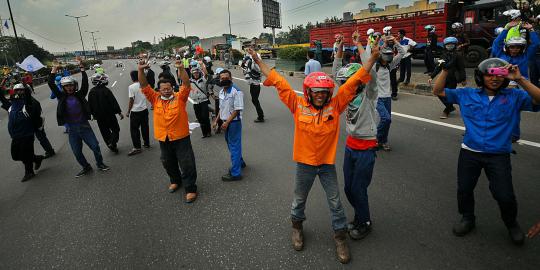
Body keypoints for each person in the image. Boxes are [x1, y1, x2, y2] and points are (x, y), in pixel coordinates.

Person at [247, 39, 378, 263]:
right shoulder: (297, 105)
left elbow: (354, 81)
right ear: (309, 91)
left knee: (335, 202)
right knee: (299, 200)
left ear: (329, 93)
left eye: (324, 92)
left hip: (326, 165)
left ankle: (339, 237)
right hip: (305, 164)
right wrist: (259, 62)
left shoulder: (336, 106)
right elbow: (279, 82)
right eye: (316, 91)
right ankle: (297, 227)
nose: (320, 95)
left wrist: (372, 60)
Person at [432, 58, 540, 245]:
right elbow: (438, 91)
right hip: (470, 152)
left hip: (498, 155)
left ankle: (511, 223)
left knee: (504, 194)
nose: (494, 79)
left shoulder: (515, 97)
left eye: (498, 75)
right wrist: (445, 71)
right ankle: (467, 218)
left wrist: (520, 79)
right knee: (464, 189)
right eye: (489, 75)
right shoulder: (466, 94)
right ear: (481, 77)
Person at [336, 30, 380, 241]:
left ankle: (365, 222)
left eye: (351, 83)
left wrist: (368, 54)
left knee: (358, 188)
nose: (346, 87)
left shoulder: (369, 95)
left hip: (366, 148)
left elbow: (368, 75)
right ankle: (360, 215)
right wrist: (341, 46)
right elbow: (336, 71)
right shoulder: (345, 95)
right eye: (344, 83)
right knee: (348, 188)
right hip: (350, 146)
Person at [138, 58, 198, 203]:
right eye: (163, 89)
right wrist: (140, 70)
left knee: (186, 163)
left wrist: (181, 68)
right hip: (163, 138)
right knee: (167, 161)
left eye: (168, 88)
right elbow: (144, 85)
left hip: (181, 137)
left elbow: (186, 84)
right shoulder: (155, 99)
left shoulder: (180, 98)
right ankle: (175, 180)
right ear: (158, 90)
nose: (166, 91)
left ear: (172, 88)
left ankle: (190, 188)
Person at [48, 60, 110, 177]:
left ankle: (100, 163)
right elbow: (51, 83)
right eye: (66, 86)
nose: (69, 88)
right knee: (77, 152)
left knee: (95, 147)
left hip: (84, 126)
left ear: (74, 85)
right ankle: (86, 167)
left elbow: (85, 83)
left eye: (71, 85)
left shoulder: (80, 95)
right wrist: (54, 70)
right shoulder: (61, 97)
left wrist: (82, 68)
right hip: (72, 129)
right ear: (63, 88)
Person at [0, 83, 44, 182]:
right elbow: (2, 97)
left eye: (20, 93)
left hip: (27, 134)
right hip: (15, 136)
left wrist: (25, 85)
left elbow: (28, 96)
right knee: (15, 155)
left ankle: (29, 172)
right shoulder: (10, 107)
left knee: (26, 154)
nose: (16, 98)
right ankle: (37, 159)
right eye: (14, 98)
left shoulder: (27, 106)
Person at [212, 69, 246, 181]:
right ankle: (240, 162)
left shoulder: (236, 91)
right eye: (222, 78)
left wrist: (226, 122)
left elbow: (237, 109)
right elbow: (221, 108)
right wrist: (216, 120)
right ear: (219, 79)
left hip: (233, 123)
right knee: (231, 144)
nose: (224, 80)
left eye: (227, 78)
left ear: (231, 78)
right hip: (225, 122)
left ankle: (236, 173)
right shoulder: (222, 91)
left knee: (234, 146)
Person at [375, 36, 405, 151]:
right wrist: (383, 44)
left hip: (387, 97)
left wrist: (395, 41)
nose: (389, 56)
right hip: (377, 98)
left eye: (390, 55)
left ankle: (383, 141)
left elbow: (402, 53)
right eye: (386, 54)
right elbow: (373, 53)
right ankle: (376, 138)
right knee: (385, 119)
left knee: (388, 121)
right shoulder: (374, 67)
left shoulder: (389, 66)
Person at [429, 37, 466, 119]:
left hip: (453, 78)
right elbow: (438, 67)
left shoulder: (458, 55)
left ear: (455, 45)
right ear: (445, 46)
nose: (449, 46)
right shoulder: (443, 55)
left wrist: (463, 79)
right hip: (443, 78)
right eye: (448, 44)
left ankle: (446, 110)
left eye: (451, 44)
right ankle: (450, 107)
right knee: (438, 93)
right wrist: (432, 76)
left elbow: (461, 68)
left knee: (448, 94)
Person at [88, 73, 124, 153]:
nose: (105, 80)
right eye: (103, 79)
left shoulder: (91, 92)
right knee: (115, 129)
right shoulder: (106, 90)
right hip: (109, 115)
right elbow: (113, 102)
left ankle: (111, 145)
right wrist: (119, 112)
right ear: (99, 81)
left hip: (99, 117)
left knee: (105, 132)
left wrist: (93, 115)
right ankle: (113, 142)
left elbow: (90, 105)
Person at [126, 70, 150, 156]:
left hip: (135, 111)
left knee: (134, 130)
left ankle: (137, 147)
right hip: (144, 109)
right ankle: (147, 143)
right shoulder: (143, 85)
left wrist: (128, 111)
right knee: (145, 127)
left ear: (132, 77)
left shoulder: (131, 87)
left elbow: (131, 100)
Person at [242, 48, 265, 122]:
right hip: (252, 83)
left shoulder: (256, 63)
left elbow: (258, 69)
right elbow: (245, 67)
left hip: (256, 83)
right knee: (254, 100)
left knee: (255, 100)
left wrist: (254, 61)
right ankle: (260, 115)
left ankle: (261, 116)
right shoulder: (250, 60)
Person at [190, 67, 212, 138]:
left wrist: (202, 65)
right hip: (196, 102)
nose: (195, 74)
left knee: (205, 117)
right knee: (199, 118)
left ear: (199, 73)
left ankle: (208, 132)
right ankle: (204, 133)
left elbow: (206, 74)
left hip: (203, 101)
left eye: (196, 73)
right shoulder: (190, 81)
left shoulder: (203, 79)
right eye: (194, 73)